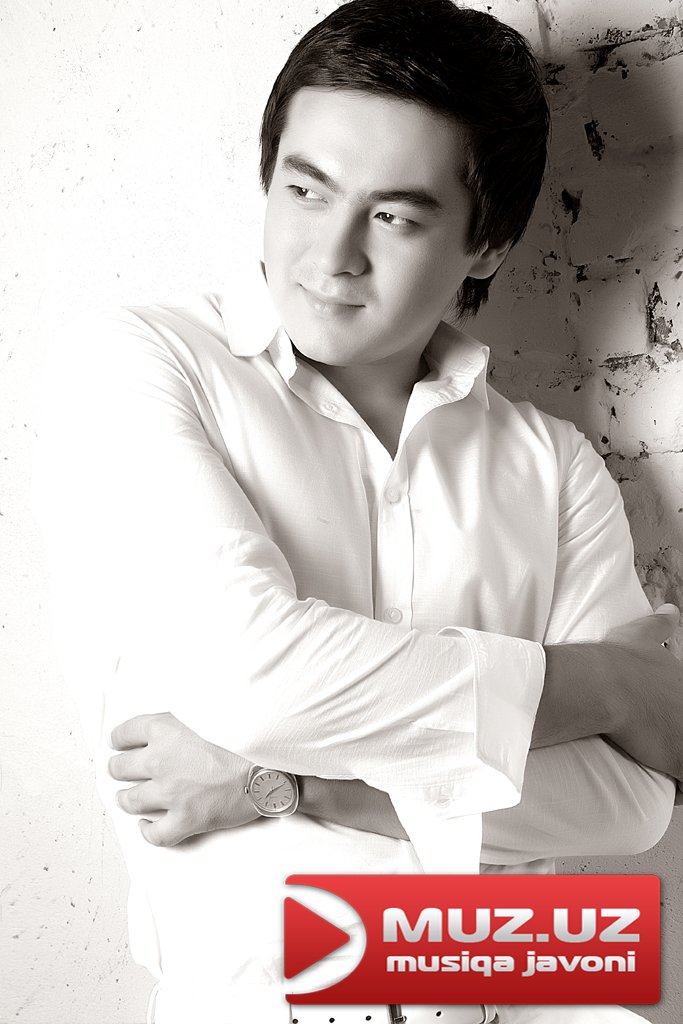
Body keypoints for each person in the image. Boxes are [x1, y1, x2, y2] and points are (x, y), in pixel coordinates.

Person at [34, 2, 682, 1023]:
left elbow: (632, 805)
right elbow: (255, 679)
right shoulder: (144, 363)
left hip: (526, 988)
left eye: (395, 217)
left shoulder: (553, 465)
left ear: (486, 243)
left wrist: (279, 784)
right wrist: (603, 685)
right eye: (304, 189)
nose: (330, 254)